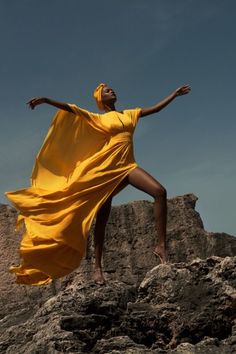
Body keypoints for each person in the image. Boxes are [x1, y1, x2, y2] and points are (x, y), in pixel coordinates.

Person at [5, 83, 191, 286]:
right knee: (102, 219)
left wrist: (174, 94)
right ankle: (97, 268)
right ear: (101, 100)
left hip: (127, 166)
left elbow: (155, 109)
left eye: (112, 89)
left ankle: (161, 247)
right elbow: (72, 108)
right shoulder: (98, 118)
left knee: (159, 192)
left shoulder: (130, 114)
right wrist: (47, 101)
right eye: (107, 91)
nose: (112, 91)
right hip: (105, 170)